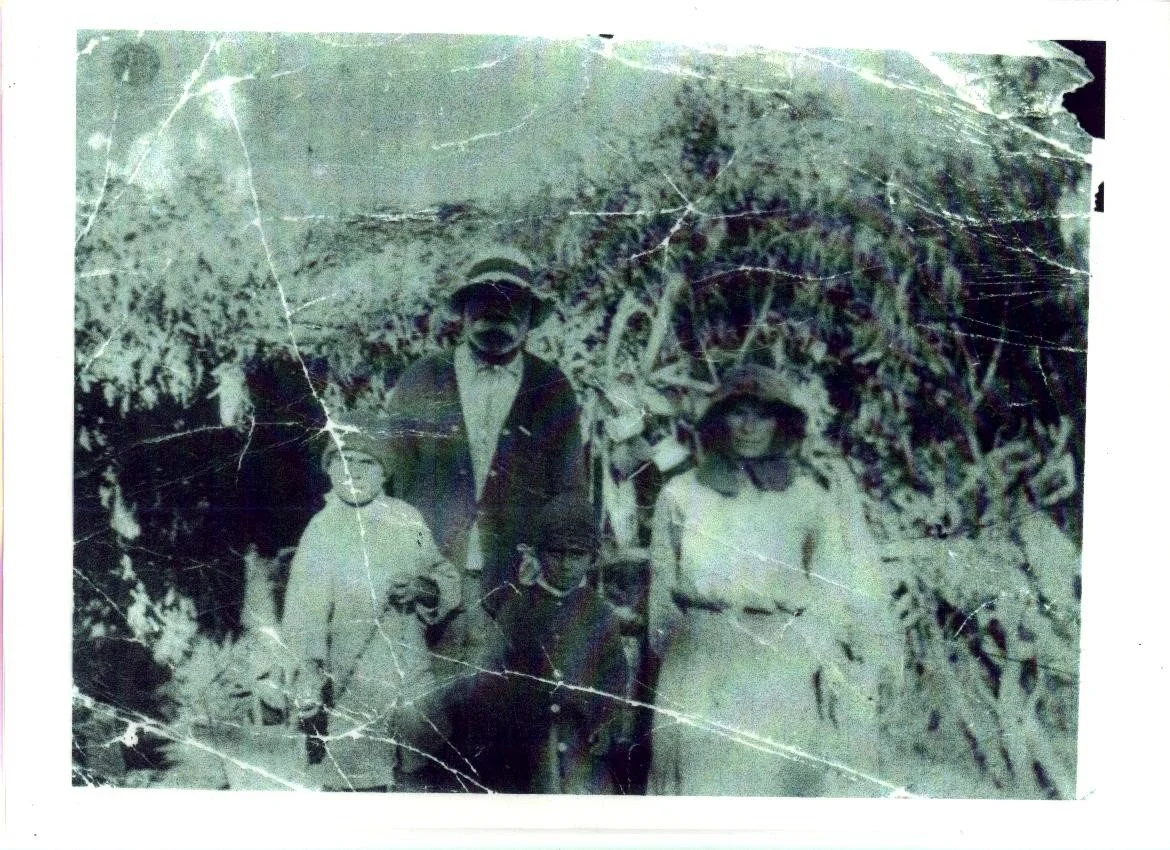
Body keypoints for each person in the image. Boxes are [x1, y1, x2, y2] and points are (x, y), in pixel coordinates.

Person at [646, 364, 900, 797]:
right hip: (700, 660)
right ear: (718, 419)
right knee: (696, 791)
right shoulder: (680, 494)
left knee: (769, 789)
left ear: (782, 424)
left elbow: (828, 594)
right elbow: (661, 597)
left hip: (778, 664)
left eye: (762, 415)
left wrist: (819, 668)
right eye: (738, 413)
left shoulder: (809, 501)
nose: (748, 427)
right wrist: (679, 663)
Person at [382, 246, 587, 766]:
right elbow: (391, 478)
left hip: (516, 586)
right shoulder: (420, 382)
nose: (496, 320)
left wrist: (550, 571)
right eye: (483, 307)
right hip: (430, 583)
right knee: (428, 736)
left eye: (509, 307)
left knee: (507, 740)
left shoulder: (552, 390)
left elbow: (568, 492)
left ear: (528, 318)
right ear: (464, 313)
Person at [279, 414, 462, 791]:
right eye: (344, 461)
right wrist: (308, 678)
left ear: (384, 474)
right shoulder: (322, 530)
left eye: (367, 463)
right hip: (353, 693)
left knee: (423, 790)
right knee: (360, 796)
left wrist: (422, 588)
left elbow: (448, 580)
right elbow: (303, 619)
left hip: (412, 685)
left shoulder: (406, 519)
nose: (355, 472)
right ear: (329, 470)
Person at [474, 492, 628, 793]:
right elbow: (489, 678)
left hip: (581, 750)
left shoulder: (599, 612)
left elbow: (615, 675)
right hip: (527, 751)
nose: (566, 564)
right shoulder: (516, 609)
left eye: (577, 554)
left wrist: (604, 722)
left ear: (592, 558)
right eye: (556, 553)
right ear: (538, 554)